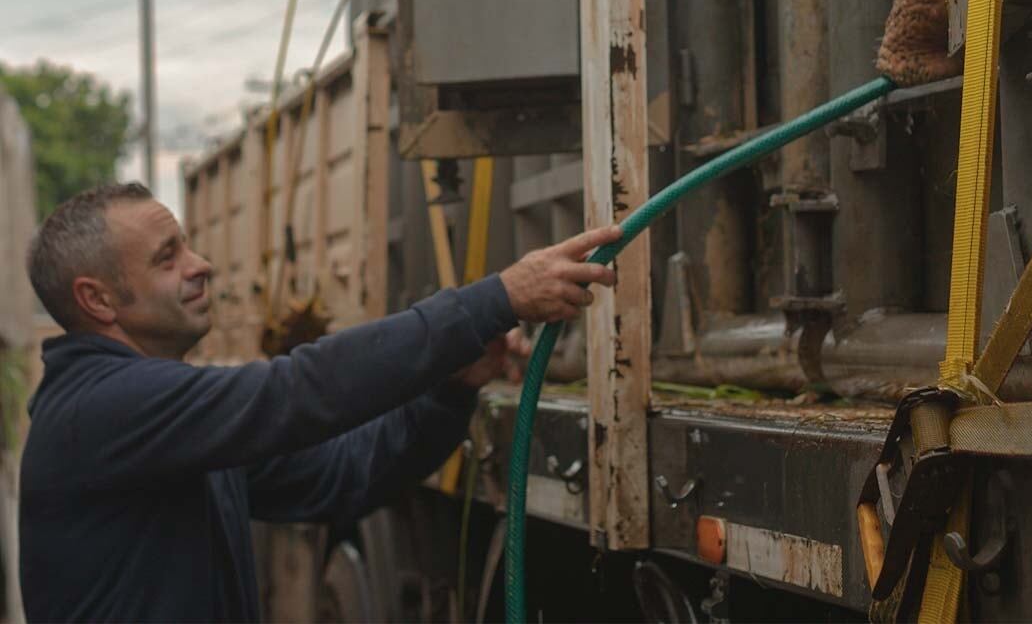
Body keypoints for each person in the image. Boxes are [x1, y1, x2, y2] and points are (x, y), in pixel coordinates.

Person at [19, 181, 619, 623]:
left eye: (187, 246)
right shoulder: (100, 410)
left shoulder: (170, 429)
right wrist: (494, 300)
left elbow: (345, 475)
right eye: (166, 257)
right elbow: (296, 391)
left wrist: (450, 389)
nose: (200, 265)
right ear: (97, 300)